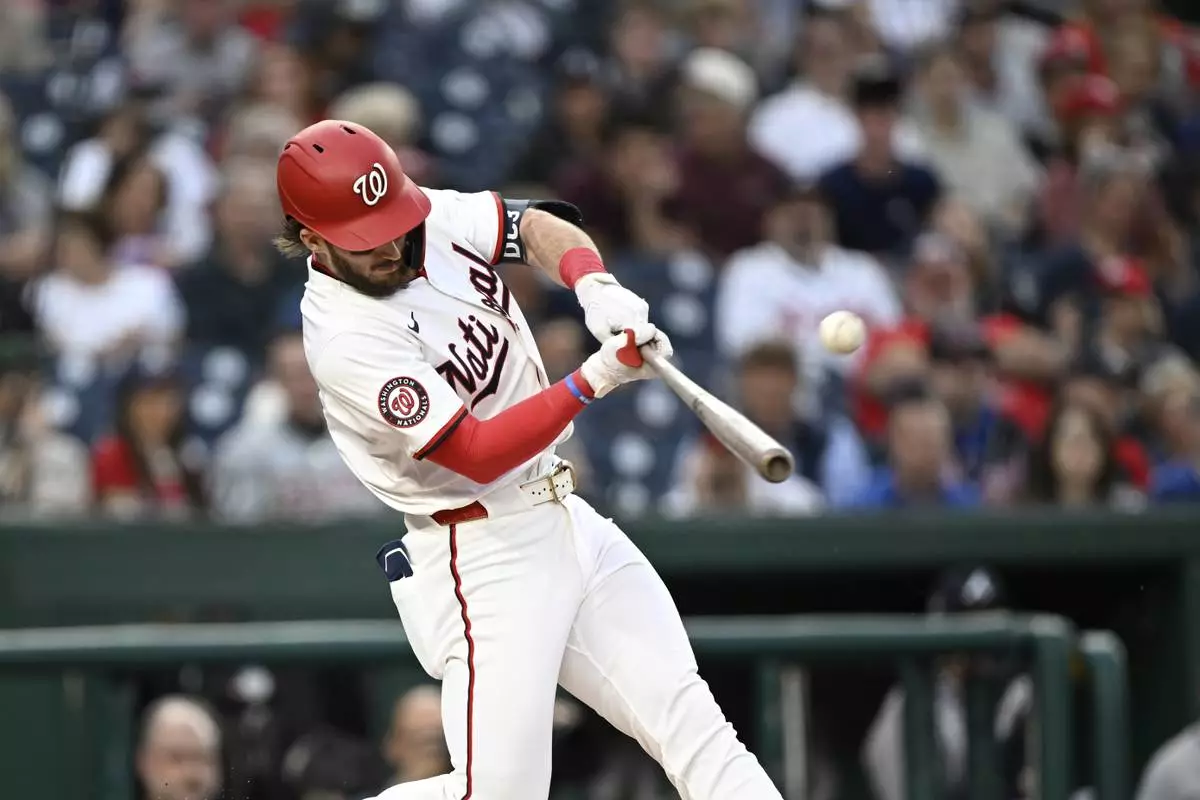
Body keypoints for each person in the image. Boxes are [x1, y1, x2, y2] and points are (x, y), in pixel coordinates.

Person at [274, 120, 784, 800]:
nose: (393, 244)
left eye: (393, 220)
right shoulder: (346, 337)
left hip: (563, 512)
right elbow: (473, 453)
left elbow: (533, 226)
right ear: (313, 240)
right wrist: (594, 378)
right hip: (482, 548)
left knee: (694, 727)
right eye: (367, 239)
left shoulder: (420, 216)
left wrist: (594, 285)